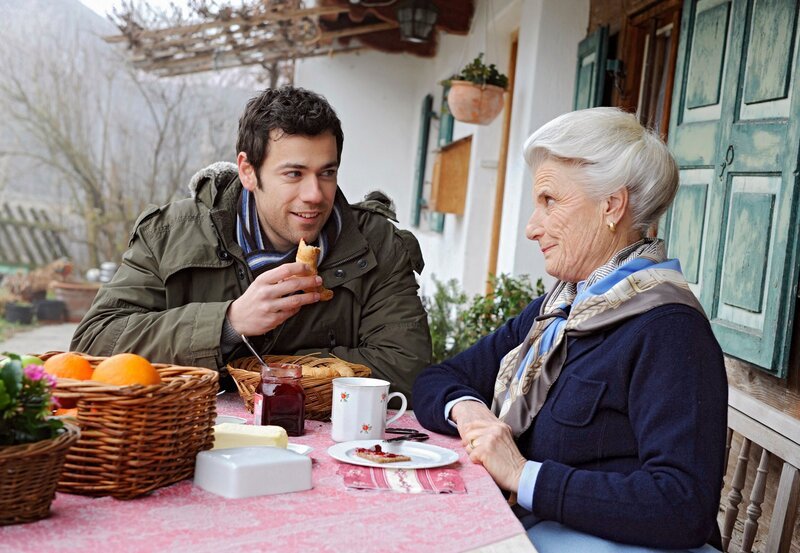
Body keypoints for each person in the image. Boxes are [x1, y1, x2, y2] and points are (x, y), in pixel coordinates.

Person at [413, 107, 727, 551]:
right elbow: (437, 379)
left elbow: (682, 505)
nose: (530, 227)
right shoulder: (559, 311)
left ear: (611, 206)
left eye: (549, 201)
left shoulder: (669, 329)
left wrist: (523, 475)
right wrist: (471, 411)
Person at [71, 86, 432, 400]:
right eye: (294, 174)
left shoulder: (379, 244)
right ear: (247, 171)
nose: (315, 194)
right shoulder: (169, 234)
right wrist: (228, 323)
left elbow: (406, 370)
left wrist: (272, 371)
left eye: (327, 172)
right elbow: (93, 343)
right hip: (186, 443)